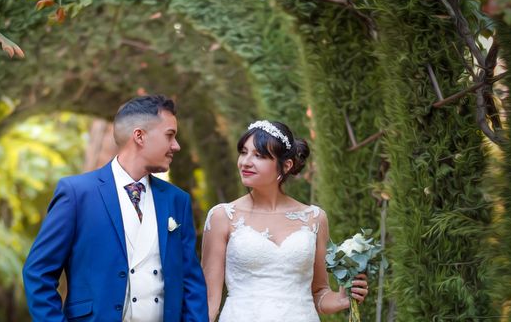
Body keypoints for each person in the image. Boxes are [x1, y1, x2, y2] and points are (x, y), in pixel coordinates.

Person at [23, 94, 208, 322]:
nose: (176, 146)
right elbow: (38, 273)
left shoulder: (177, 200)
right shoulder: (77, 193)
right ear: (139, 136)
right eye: (170, 135)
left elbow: (190, 281)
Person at [202, 120, 369, 321]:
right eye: (244, 152)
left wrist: (341, 299)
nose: (245, 162)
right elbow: (209, 301)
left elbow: (319, 292)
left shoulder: (314, 218)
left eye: (259, 156)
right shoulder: (222, 216)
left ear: (286, 165)